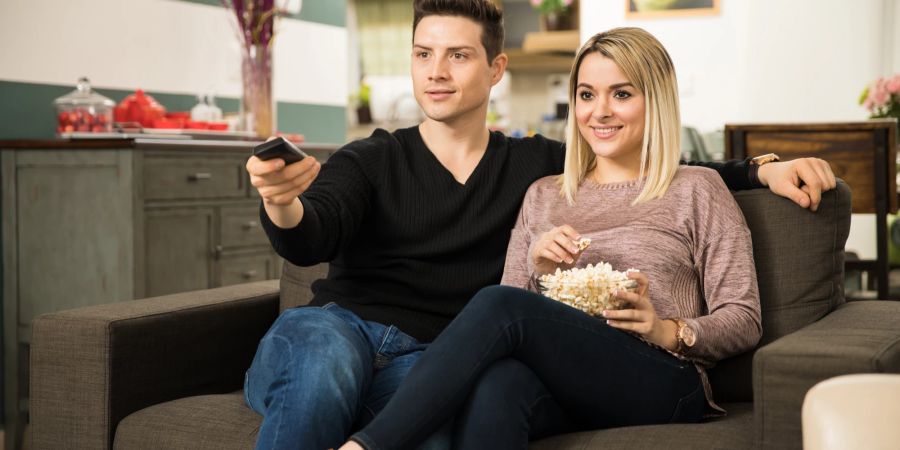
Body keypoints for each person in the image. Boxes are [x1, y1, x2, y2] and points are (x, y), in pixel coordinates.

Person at [244, 2, 835, 449]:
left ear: (496, 68)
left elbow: (668, 181)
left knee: (494, 322)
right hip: (365, 333)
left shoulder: (667, 185)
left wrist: (759, 170)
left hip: (642, 368)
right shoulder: (540, 188)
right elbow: (312, 233)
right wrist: (281, 203)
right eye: (423, 54)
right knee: (461, 385)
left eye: (457, 54)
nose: (436, 71)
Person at [342, 25, 764, 450]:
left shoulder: (698, 188)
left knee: (497, 304)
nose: (599, 111)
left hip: (663, 377)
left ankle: (365, 447)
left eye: (621, 94)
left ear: (655, 101)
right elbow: (508, 319)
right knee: (498, 384)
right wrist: (538, 270)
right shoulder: (544, 194)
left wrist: (664, 329)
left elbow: (743, 318)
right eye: (586, 95)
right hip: (567, 383)